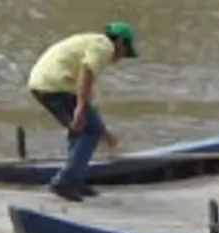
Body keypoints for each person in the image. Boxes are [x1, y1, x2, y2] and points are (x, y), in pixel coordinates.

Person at [27, 23, 137, 201]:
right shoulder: (104, 46)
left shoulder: (92, 42)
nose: (123, 56)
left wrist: (103, 130)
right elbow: (86, 73)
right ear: (120, 42)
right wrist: (80, 109)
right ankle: (64, 182)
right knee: (90, 130)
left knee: (82, 129)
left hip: (43, 83)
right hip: (56, 85)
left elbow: (86, 90)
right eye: (125, 50)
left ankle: (75, 180)